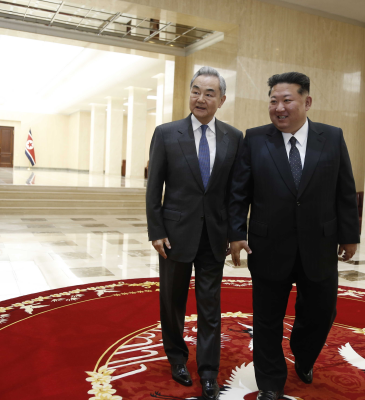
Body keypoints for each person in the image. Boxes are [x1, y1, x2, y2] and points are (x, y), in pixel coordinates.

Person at [228, 72, 360, 400]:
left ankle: (303, 353)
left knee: (321, 312)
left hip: (320, 245)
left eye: (287, 100)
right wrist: (236, 232)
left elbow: (345, 190)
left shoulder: (331, 137)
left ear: (307, 101)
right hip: (268, 245)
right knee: (267, 318)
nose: (279, 107)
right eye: (273, 101)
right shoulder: (255, 139)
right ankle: (270, 382)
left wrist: (349, 235)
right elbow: (239, 192)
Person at [146, 66, 243, 400]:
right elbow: (154, 187)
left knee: (210, 307)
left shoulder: (234, 137)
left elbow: (235, 192)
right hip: (174, 235)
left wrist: (235, 232)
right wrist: (156, 230)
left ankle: (209, 371)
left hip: (214, 236)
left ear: (222, 100)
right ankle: (176, 358)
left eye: (209, 93)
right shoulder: (166, 133)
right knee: (172, 302)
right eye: (196, 91)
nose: (200, 99)